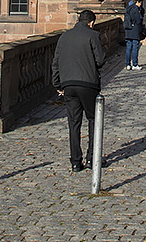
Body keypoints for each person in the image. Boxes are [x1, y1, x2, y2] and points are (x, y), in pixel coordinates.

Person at [51, 10, 106, 172]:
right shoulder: (93, 35)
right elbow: (101, 60)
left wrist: (58, 84)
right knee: (93, 120)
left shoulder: (64, 36)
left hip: (68, 85)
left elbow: (56, 62)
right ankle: (91, 158)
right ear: (91, 23)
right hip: (88, 84)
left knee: (74, 124)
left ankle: (75, 162)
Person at [123, 0, 144, 71]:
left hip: (128, 30)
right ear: (138, 2)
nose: (141, 4)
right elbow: (138, 20)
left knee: (128, 48)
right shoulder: (135, 9)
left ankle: (128, 64)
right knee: (135, 47)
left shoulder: (128, 8)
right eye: (140, 2)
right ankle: (134, 64)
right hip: (134, 30)